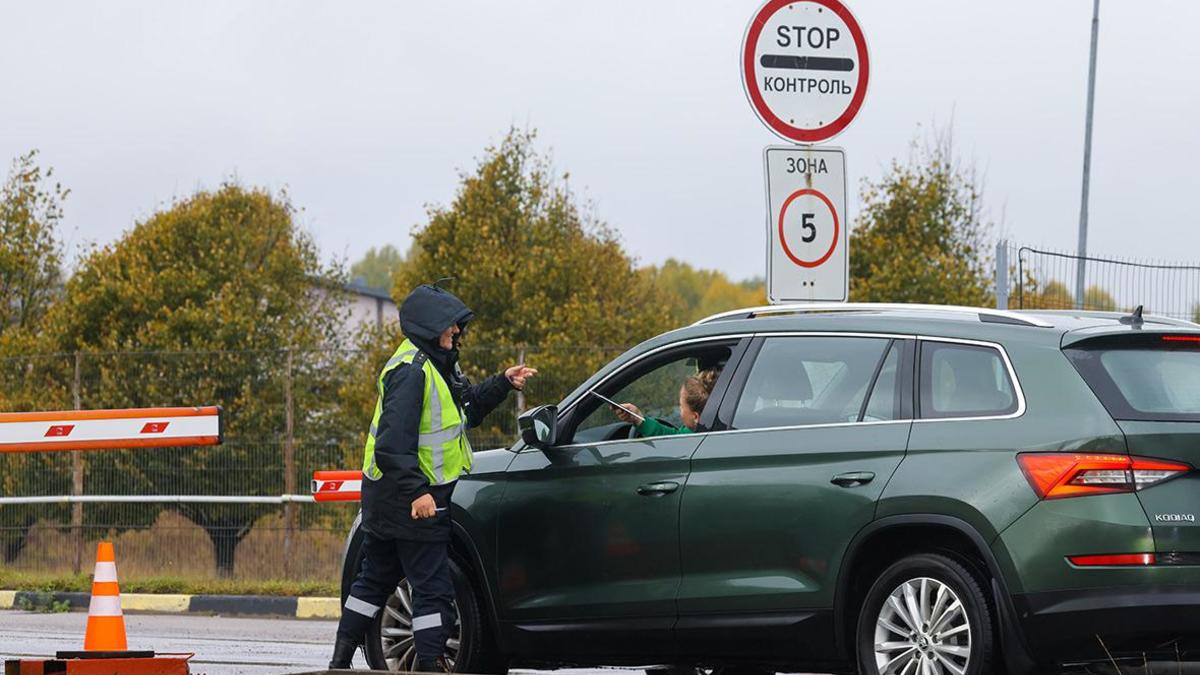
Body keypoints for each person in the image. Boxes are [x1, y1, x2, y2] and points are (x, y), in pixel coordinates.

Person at [329, 283, 537, 671]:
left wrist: (503, 383)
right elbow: (392, 445)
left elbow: (466, 409)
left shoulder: (435, 365)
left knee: (374, 579)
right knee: (431, 589)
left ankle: (340, 660)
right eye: (451, 326)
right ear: (429, 327)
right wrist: (417, 493)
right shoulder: (412, 372)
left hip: (390, 497)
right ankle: (428, 665)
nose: (457, 332)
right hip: (413, 500)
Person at [612, 368, 720, 437]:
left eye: (681, 407)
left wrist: (639, 420)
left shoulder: (693, 440)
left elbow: (672, 438)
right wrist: (637, 418)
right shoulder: (721, 430)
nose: (680, 411)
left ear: (696, 417)